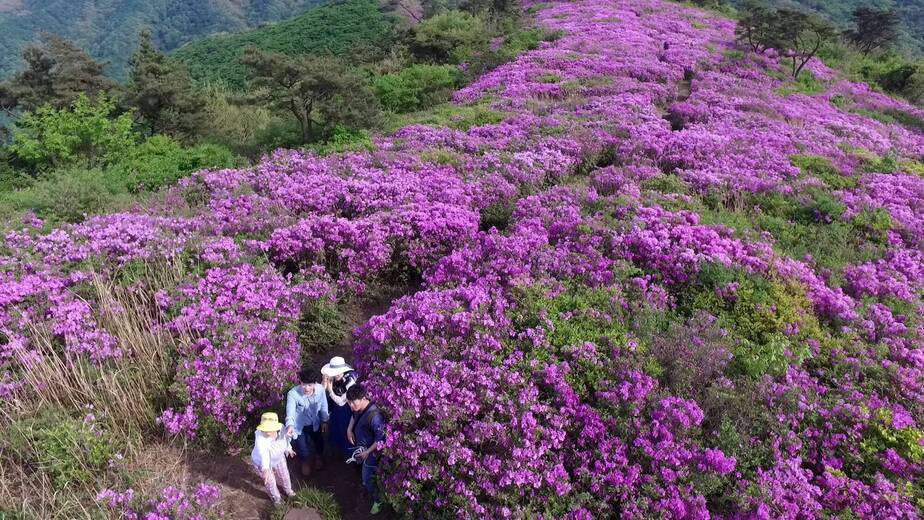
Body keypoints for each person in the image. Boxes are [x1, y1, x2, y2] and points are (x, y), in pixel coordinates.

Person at [346, 383, 386, 515]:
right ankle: (366, 485)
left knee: (367, 476)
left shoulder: (375, 417)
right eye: (349, 402)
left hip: (371, 453)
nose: (351, 406)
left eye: (353, 402)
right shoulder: (357, 408)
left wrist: (367, 452)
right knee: (363, 473)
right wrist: (349, 429)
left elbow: (380, 439)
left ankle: (378, 500)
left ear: (363, 398)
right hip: (361, 449)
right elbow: (353, 415)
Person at [286, 368, 329, 476]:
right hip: (299, 425)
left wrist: (324, 421)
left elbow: (324, 406)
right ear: (300, 382)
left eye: (310, 385)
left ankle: (318, 456)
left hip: (315, 423)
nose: (306, 388)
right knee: (302, 447)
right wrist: (290, 425)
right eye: (304, 384)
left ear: (315, 383)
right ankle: (304, 461)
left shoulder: (320, 390)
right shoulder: (293, 394)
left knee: (318, 440)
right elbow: (290, 411)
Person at [250, 412, 296, 506]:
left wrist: (288, 449)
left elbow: (285, 439)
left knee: (284, 475)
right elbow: (264, 453)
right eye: (265, 429)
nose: (267, 432)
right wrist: (266, 469)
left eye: (270, 429)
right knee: (270, 481)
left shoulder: (282, 428)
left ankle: (288, 490)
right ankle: (276, 498)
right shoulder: (260, 437)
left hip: (278, 457)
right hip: (262, 463)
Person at [320, 356, 359, 457]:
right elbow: (320, 392)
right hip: (335, 408)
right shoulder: (331, 377)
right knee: (336, 427)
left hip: (346, 409)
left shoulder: (350, 381)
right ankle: (338, 449)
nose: (337, 374)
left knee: (344, 428)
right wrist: (324, 383)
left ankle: (349, 454)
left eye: (339, 371)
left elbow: (341, 402)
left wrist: (330, 391)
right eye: (334, 371)